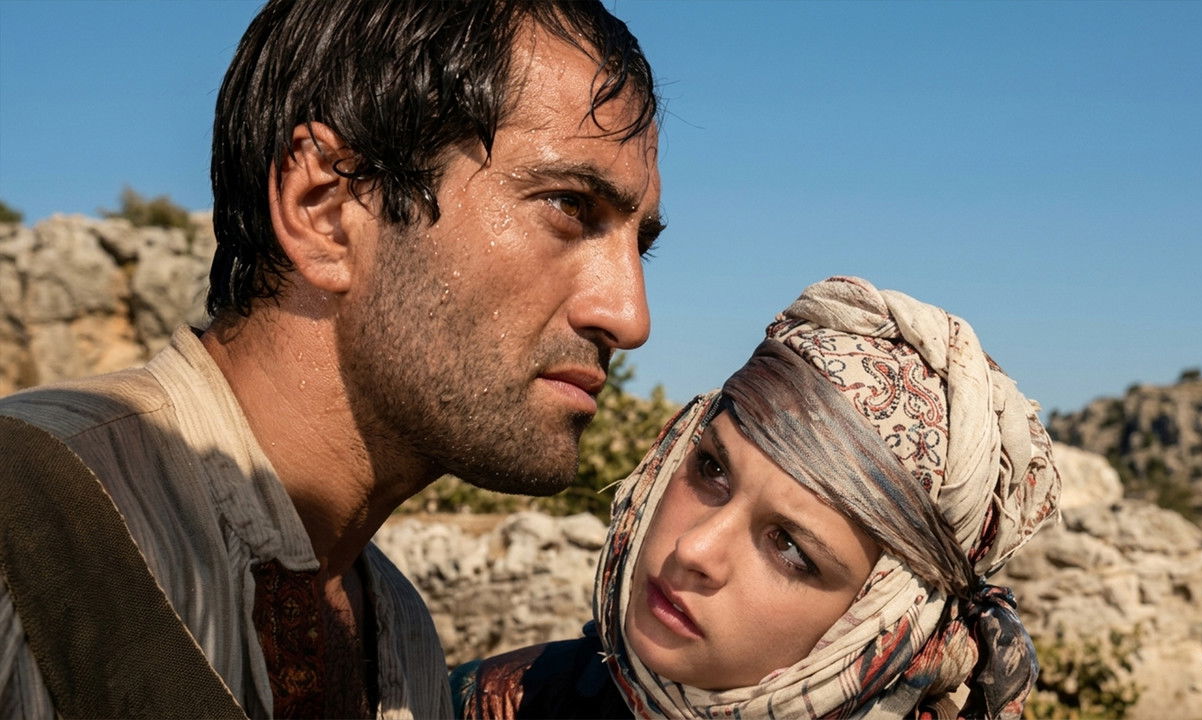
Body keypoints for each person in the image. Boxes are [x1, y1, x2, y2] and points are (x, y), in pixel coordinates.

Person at [0, 0, 662, 717]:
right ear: (324, 209)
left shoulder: (400, 630)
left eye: (641, 244)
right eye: (571, 206)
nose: (630, 317)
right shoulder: (24, 531)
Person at [453, 275, 1062, 719]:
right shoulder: (493, 701)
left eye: (791, 548)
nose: (695, 549)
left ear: (881, 618)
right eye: (712, 469)